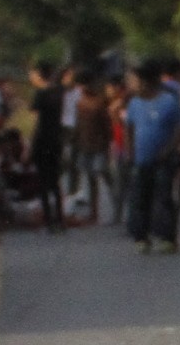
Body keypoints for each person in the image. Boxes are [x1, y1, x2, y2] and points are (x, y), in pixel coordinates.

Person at [121, 58, 180, 252]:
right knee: (140, 198)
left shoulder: (168, 101)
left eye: (133, 80)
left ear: (145, 81)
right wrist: (129, 152)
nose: (131, 85)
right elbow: (129, 128)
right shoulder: (134, 103)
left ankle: (167, 237)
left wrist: (168, 150)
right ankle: (141, 236)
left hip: (163, 159)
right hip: (140, 159)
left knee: (163, 197)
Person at [25, 64, 67, 232]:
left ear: (39, 76)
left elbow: (36, 123)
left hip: (42, 141)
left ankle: (49, 220)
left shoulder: (40, 94)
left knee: (43, 181)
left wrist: (29, 146)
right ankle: (60, 218)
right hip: (55, 140)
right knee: (55, 181)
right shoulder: (58, 93)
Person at [71, 67, 115, 224]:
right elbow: (77, 125)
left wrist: (108, 145)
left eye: (85, 84)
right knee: (91, 179)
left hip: (98, 146)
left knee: (104, 175)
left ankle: (118, 206)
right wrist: (74, 142)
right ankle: (94, 213)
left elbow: (107, 126)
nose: (83, 88)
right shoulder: (79, 103)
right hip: (85, 146)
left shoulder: (99, 102)